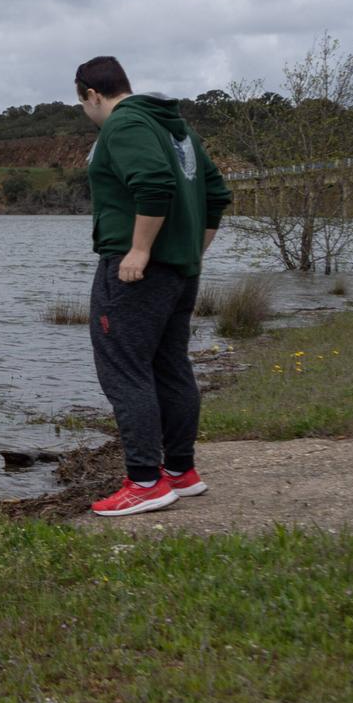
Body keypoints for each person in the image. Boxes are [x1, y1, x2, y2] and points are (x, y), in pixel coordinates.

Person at [76, 56, 232, 516]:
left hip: (134, 272)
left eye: (83, 104)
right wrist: (192, 250)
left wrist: (140, 250)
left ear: (92, 94)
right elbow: (217, 195)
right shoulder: (176, 128)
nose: (87, 113)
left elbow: (153, 183)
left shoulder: (123, 125)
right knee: (169, 366)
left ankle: (145, 481)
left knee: (124, 370)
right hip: (180, 270)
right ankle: (180, 472)